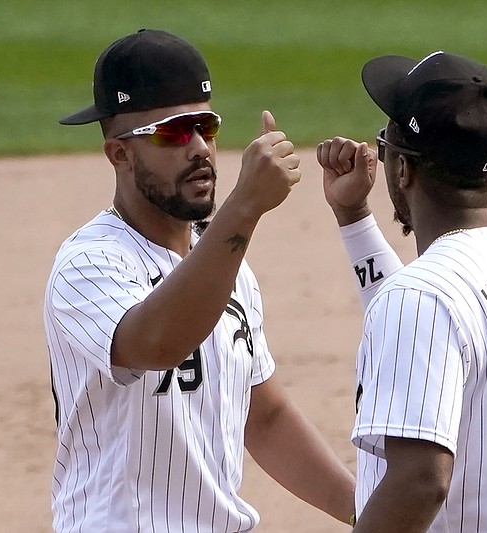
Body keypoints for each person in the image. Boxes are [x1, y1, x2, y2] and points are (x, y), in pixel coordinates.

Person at [43, 29, 355, 532]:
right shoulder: (89, 264)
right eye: (171, 132)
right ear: (119, 154)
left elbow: (264, 414)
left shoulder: (225, 259)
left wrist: (370, 514)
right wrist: (244, 208)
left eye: (205, 126)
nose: (199, 148)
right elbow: (156, 343)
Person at [316, 51, 487, 532]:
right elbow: (425, 318)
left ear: (403, 171)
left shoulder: (424, 298)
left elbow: (422, 481)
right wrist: (353, 217)